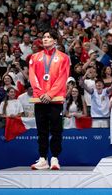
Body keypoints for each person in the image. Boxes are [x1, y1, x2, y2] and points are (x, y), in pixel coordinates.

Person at [28, 30, 70, 170]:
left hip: (55, 100)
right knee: (42, 130)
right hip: (40, 100)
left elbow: (63, 77)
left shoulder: (63, 57)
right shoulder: (35, 57)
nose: (45, 39)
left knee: (56, 130)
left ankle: (55, 158)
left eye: (48, 37)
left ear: (55, 40)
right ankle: (42, 158)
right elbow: (32, 77)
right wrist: (40, 93)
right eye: (44, 37)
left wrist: (50, 94)